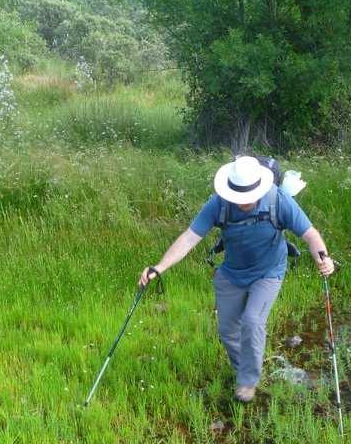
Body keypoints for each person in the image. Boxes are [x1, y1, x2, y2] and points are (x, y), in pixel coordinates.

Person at [138, 156, 334, 402]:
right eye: (238, 196)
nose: (242, 202)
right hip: (232, 272)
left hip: (268, 272)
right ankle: (245, 368)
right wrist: (159, 267)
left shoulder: (278, 200)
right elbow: (189, 238)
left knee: (252, 321)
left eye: (248, 197)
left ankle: (248, 381)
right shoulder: (219, 204)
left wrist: (323, 260)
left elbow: (311, 235)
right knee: (228, 330)